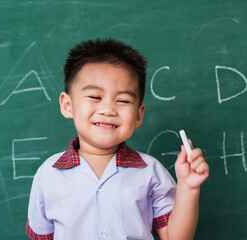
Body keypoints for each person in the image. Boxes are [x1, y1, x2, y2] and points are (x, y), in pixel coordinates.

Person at [26, 38, 209, 240]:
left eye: (123, 100)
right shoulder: (48, 174)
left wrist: (188, 187)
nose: (108, 110)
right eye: (95, 97)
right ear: (67, 105)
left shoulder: (150, 172)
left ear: (139, 114)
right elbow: (41, 235)